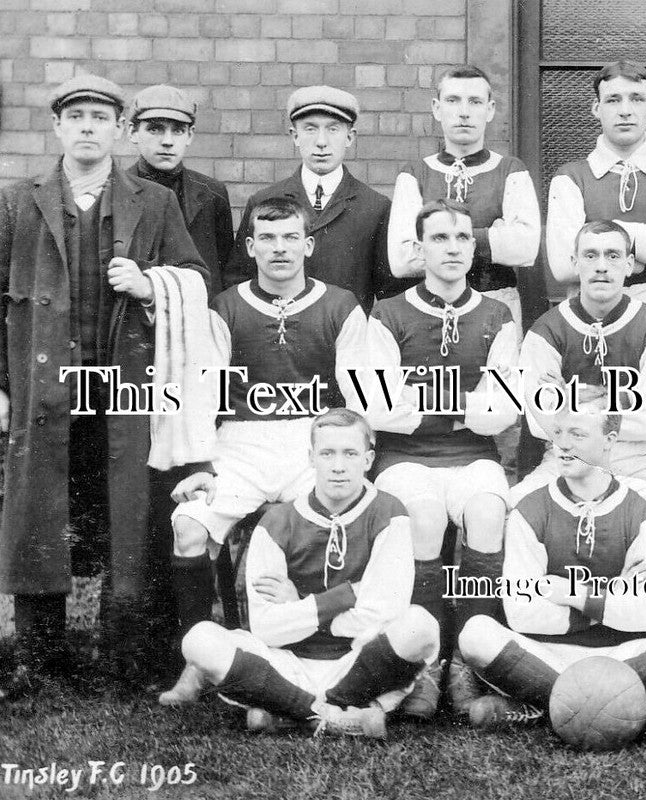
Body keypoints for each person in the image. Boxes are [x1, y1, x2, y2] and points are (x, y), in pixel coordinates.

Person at [0, 75, 208, 698]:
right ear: (59, 127)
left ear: (120, 130)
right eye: (77, 116)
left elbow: (195, 275)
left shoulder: (154, 202)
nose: (88, 127)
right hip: (45, 390)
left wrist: (150, 284)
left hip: (126, 388)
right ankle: (39, 657)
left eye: (100, 117)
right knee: (41, 515)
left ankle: (127, 659)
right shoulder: (18, 202)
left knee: (127, 513)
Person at [158, 196, 372, 706]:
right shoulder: (227, 306)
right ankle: (196, 662)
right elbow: (204, 392)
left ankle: (319, 656)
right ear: (251, 247)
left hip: (310, 441)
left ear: (308, 243)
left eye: (291, 237)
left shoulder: (341, 305)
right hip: (240, 441)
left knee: (332, 528)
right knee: (189, 527)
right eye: (268, 239)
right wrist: (200, 464)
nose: (280, 249)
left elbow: (362, 395)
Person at [176, 408, 439, 737]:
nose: (338, 466)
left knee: (420, 626)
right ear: (311, 458)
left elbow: (384, 614)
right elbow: (267, 629)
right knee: (199, 640)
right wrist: (350, 595)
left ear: (369, 460)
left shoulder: (390, 513)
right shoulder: (278, 522)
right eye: (327, 453)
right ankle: (336, 716)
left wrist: (300, 602)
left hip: (358, 660)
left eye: (350, 453)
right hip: (287, 663)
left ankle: (289, 710)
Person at [456, 386, 646, 730]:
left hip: (617, 654)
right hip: (543, 653)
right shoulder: (530, 511)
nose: (563, 445)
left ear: (610, 440)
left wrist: (571, 594)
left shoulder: (645, 516)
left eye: (577, 434)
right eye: (559, 432)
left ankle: (537, 707)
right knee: (476, 634)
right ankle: (625, 707)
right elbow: (522, 614)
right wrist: (613, 595)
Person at [367, 199, 520, 715]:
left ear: (473, 248)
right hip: (404, 458)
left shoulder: (498, 315)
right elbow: (379, 408)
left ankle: (471, 664)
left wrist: (422, 400)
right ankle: (425, 664)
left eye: (461, 239)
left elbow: (502, 413)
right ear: (419, 248)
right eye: (439, 239)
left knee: (486, 511)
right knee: (426, 515)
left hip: (474, 454)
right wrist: (466, 403)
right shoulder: (388, 313)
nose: (452, 248)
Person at [513, 220, 646, 573]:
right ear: (574, 262)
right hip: (563, 460)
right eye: (590, 255)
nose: (601, 265)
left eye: (613, 255)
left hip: (638, 461)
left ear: (630, 264)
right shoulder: (547, 328)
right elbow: (536, 420)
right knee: (506, 518)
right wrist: (623, 401)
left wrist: (572, 403)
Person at [545, 60, 646, 325]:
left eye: (637, 99)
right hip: (589, 310)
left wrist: (601, 234)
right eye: (613, 100)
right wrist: (645, 256)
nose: (625, 111)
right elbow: (563, 266)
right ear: (597, 108)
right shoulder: (571, 177)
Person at [388, 64, 540, 326]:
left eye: (475, 101)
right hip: (430, 309)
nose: (464, 112)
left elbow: (526, 247)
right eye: (453, 100)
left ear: (490, 109)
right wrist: (492, 236)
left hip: (496, 306)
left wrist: (435, 241)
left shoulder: (510, 170)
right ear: (437, 108)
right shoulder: (415, 173)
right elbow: (401, 260)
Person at [226, 86, 393, 310]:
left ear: (350, 137)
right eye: (310, 129)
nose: (321, 141)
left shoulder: (375, 207)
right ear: (295, 136)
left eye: (333, 129)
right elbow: (239, 281)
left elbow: (391, 296)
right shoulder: (264, 201)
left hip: (345, 338)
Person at [126, 84, 233, 294]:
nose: (167, 141)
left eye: (178, 130)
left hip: (198, 314)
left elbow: (224, 271)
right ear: (132, 132)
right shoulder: (116, 191)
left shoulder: (212, 194)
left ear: (190, 135)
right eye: (155, 129)